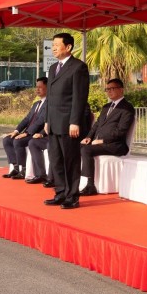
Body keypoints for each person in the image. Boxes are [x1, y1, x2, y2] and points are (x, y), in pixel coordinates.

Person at [44, 33, 90, 209]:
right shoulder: (53, 68)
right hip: (53, 122)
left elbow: (80, 97)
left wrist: (75, 121)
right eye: (52, 45)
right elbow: (50, 97)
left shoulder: (78, 67)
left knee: (70, 160)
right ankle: (61, 192)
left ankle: (72, 196)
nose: (53, 48)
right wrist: (47, 120)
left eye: (57, 44)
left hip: (69, 123)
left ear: (68, 47)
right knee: (55, 160)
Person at [79, 78, 135, 196]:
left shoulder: (127, 108)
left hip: (116, 145)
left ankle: (90, 185)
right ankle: (76, 181)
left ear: (121, 90)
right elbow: (97, 124)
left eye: (112, 89)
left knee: (86, 149)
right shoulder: (106, 107)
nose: (109, 91)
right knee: (78, 146)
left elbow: (121, 131)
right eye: (107, 89)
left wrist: (102, 140)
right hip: (101, 143)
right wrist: (89, 137)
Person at [2, 77, 47, 181]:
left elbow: (40, 121)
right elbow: (26, 119)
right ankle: (16, 167)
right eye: (36, 87)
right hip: (28, 132)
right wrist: (16, 131)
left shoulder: (49, 104)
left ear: (48, 88)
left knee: (19, 142)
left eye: (40, 87)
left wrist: (26, 133)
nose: (37, 90)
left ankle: (24, 170)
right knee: (7, 140)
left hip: (37, 133)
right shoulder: (36, 103)